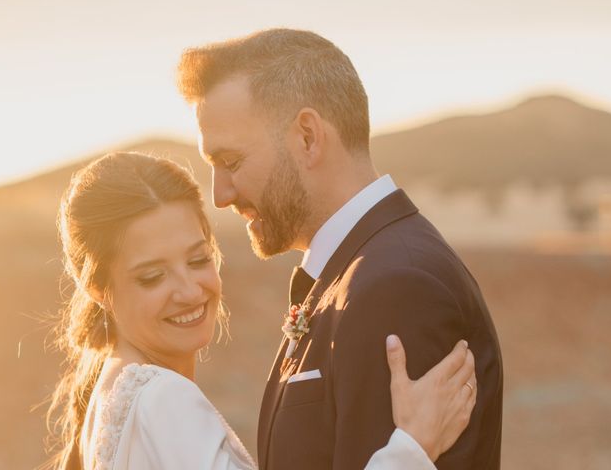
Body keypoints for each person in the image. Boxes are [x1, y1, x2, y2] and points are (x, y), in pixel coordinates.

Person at [177, 28, 503, 469]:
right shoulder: (358, 271)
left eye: (231, 163)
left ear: (308, 137)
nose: (220, 194)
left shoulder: (397, 287)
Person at [45, 152, 476, 469]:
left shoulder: (109, 386)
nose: (189, 290)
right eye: (152, 276)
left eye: (198, 260)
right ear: (97, 288)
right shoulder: (162, 401)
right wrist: (412, 448)